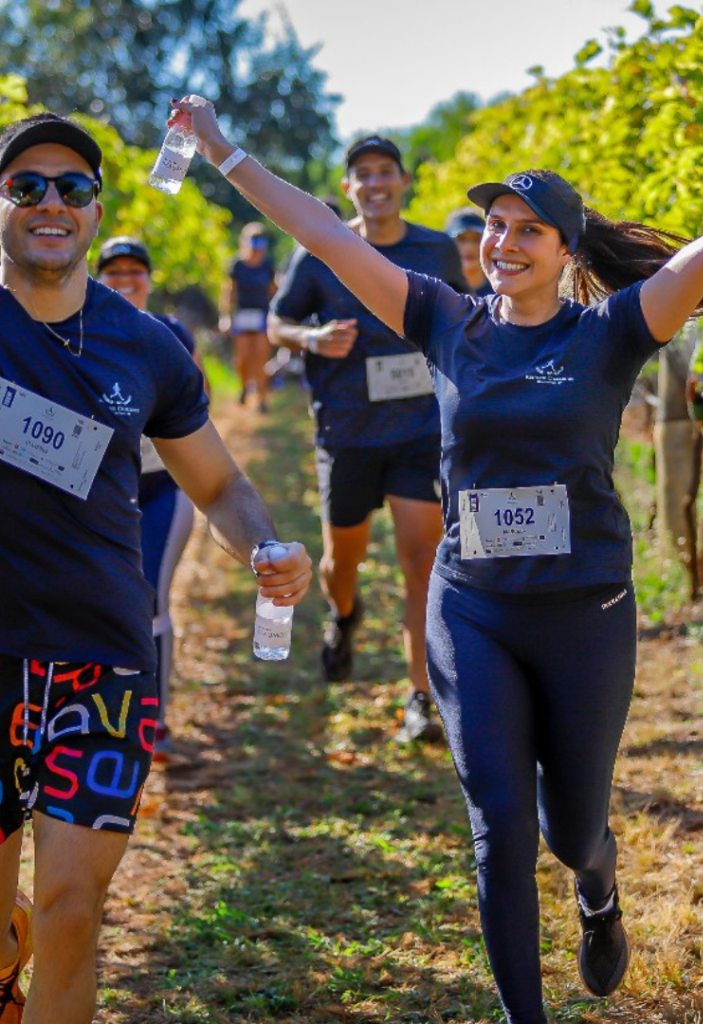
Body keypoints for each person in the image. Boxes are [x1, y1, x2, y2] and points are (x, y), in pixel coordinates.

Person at [173, 92, 703, 1024]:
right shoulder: (445, 320)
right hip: (475, 610)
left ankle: (598, 888)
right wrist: (223, 151)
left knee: (570, 826)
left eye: (529, 230)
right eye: (495, 226)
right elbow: (327, 235)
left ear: (566, 252)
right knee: (498, 829)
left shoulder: (611, 330)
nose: (503, 242)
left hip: (585, 612)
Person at [0, 111, 312, 1023]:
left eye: (73, 187)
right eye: (26, 186)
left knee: (71, 911)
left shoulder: (148, 347)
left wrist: (262, 544)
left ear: (97, 210)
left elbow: (217, 484)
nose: (50, 202)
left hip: (102, 661)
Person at [268, 134, 467, 742]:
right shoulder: (321, 251)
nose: (376, 183)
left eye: (387, 172)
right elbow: (277, 324)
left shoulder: (435, 249)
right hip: (347, 429)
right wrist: (312, 338)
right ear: (349, 187)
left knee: (421, 560)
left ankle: (419, 699)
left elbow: (457, 323)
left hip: (417, 430)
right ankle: (343, 614)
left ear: (404, 182)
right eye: (364, 175)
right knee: (343, 561)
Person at [96, 235, 208, 761]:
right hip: (98, 495)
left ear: (149, 278)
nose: (124, 280)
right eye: (112, 271)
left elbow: (198, 402)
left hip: (163, 488)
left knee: (151, 600)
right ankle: (99, 712)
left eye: (134, 271)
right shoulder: (76, 330)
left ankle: (152, 719)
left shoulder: (172, 334)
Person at [220, 221, 276, 413]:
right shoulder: (237, 265)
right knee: (243, 358)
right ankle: (244, 387)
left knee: (261, 356)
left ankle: (262, 399)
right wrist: (226, 317)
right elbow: (230, 291)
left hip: (262, 315)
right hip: (242, 315)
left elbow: (273, 290)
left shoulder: (267, 265)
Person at [444, 206, 492, 296]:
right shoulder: (437, 293)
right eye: (461, 239)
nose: (470, 247)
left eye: (477, 239)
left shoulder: (503, 293)